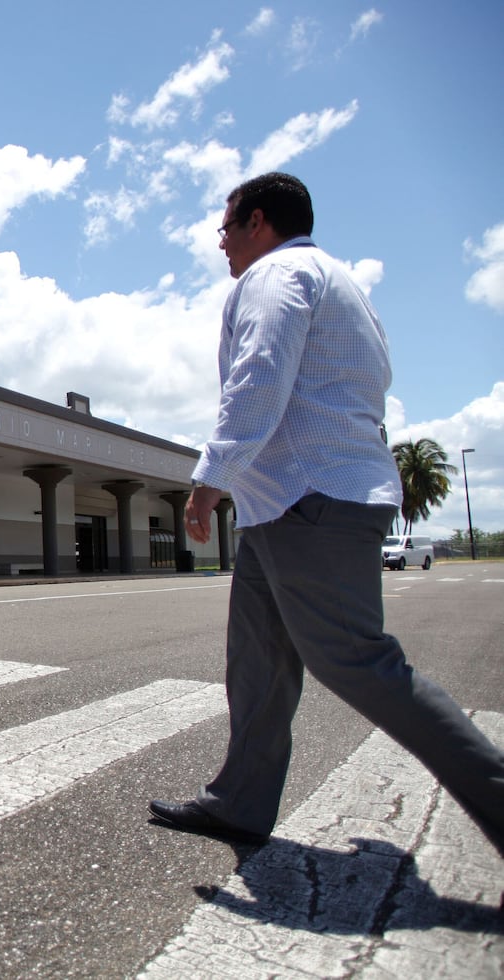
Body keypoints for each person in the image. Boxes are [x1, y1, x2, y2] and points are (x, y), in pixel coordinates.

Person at [148, 172, 504, 856]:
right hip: (285, 502)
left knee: (359, 663)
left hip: (308, 499)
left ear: (257, 222)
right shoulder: (339, 282)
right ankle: (240, 802)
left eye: (225, 229)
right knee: (258, 660)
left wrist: (210, 478)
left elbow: (261, 370)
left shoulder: (275, 275)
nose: (222, 245)